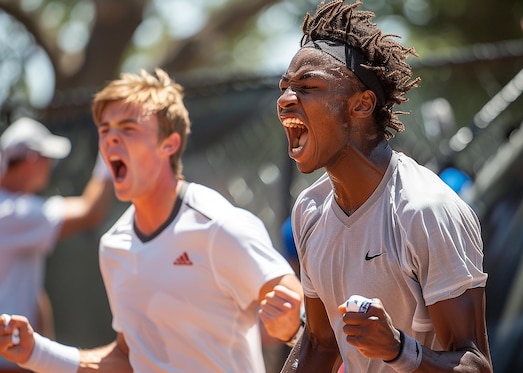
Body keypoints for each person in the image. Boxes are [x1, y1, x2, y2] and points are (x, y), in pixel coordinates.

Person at [0, 68, 303, 372]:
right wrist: (35, 352)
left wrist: (290, 323)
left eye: (128, 128)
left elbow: (294, 303)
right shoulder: (113, 246)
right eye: (105, 130)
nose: (111, 139)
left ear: (168, 144)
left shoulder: (218, 224)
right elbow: (128, 356)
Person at [276, 1, 492, 372]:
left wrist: (397, 350)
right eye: (285, 88)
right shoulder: (308, 211)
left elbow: (477, 365)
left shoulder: (426, 210)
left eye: (308, 86)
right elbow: (319, 343)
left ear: (361, 105)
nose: (285, 100)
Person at [0, 117, 114, 372]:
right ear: (31, 160)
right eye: (47, 157)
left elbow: (33, 293)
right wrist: (109, 151)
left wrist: (44, 354)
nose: (51, 165)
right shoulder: (13, 213)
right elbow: (90, 211)